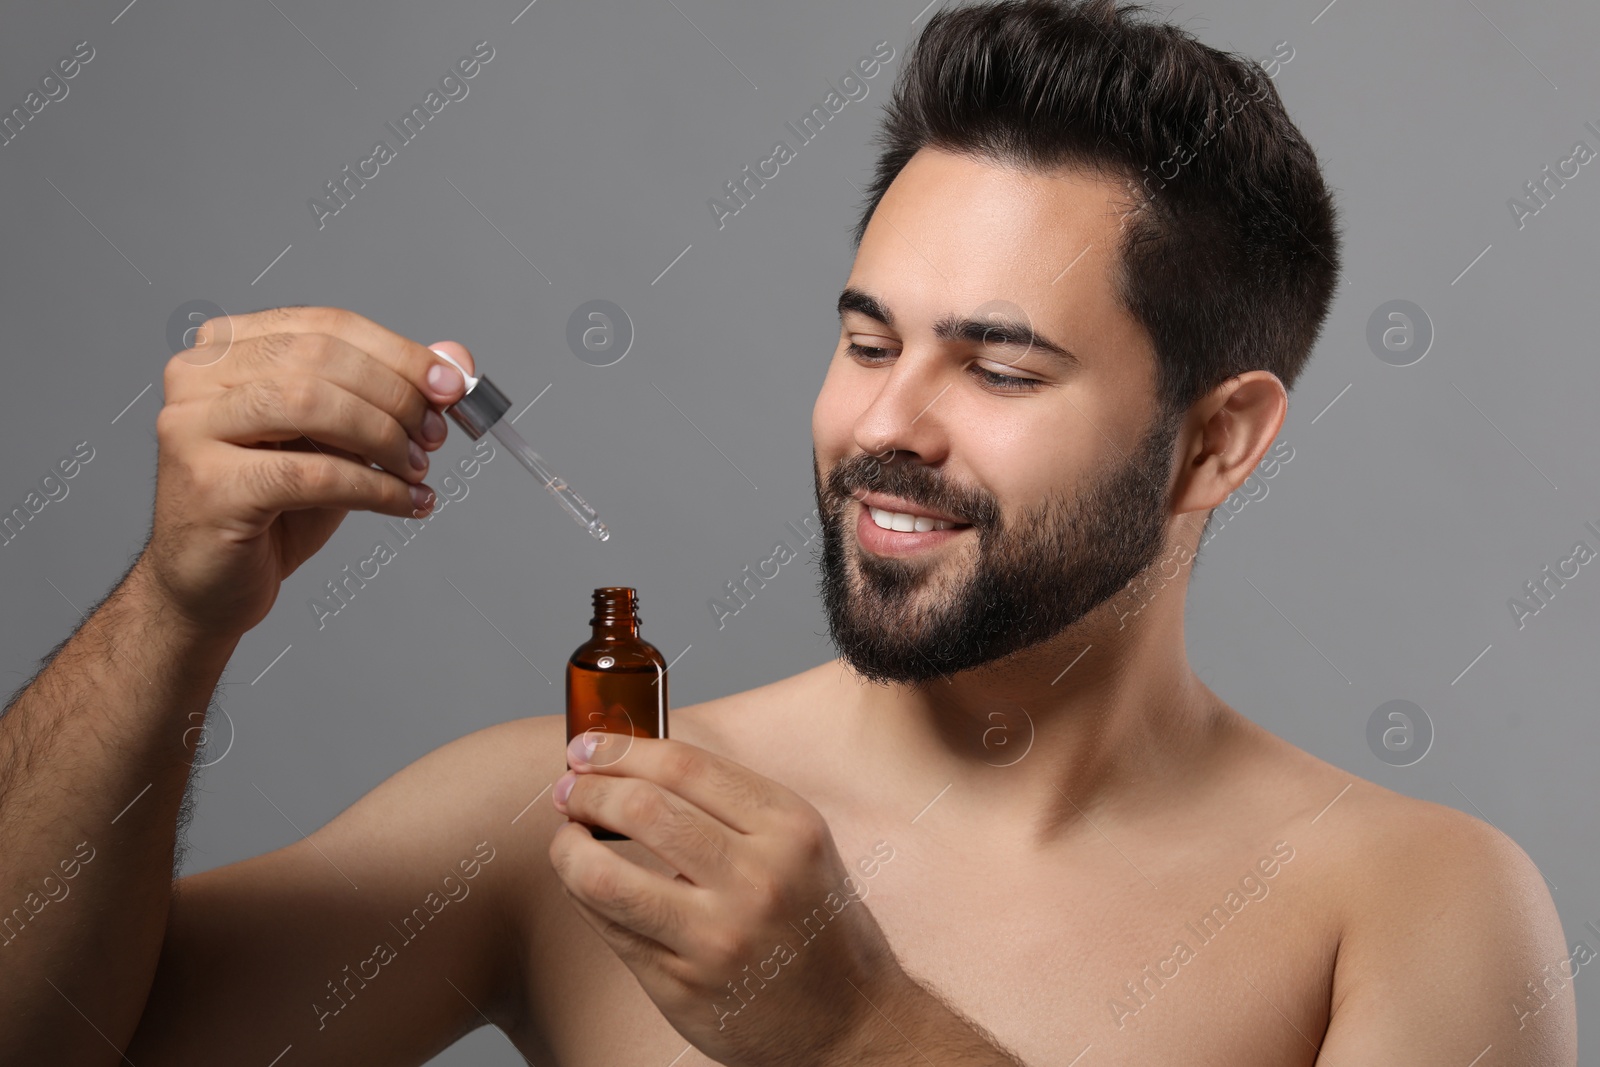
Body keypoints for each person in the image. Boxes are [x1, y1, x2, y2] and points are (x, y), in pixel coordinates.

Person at [0, 0, 1576, 1064]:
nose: (888, 423)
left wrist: (858, 1032)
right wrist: (173, 617)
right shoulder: (574, 830)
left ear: (1215, 441)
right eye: (870, 341)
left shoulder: (1409, 906)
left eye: (1002, 362)